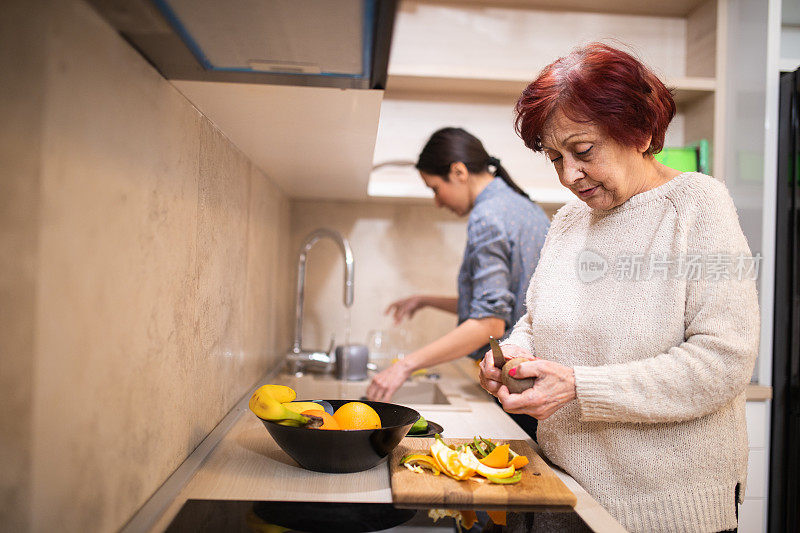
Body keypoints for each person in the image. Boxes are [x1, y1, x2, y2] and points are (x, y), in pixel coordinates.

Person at [478, 43, 759, 533]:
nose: (569, 175)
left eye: (583, 151)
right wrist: (514, 355)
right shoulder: (568, 222)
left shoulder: (698, 207)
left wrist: (579, 387)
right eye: (554, 158)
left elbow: (723, 361)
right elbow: (537, 318)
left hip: (665, 513)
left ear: (642, 131)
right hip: (563, 493)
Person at [365, 127, 550, 411]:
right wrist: (426, 300)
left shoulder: (486, 217)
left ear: (459, 172)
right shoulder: (524, 207)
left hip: (516, 383)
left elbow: (490, 323)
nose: (438, 202)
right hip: (538, 377)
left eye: (435, 189)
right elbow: (507, 302)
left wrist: (404, 366)